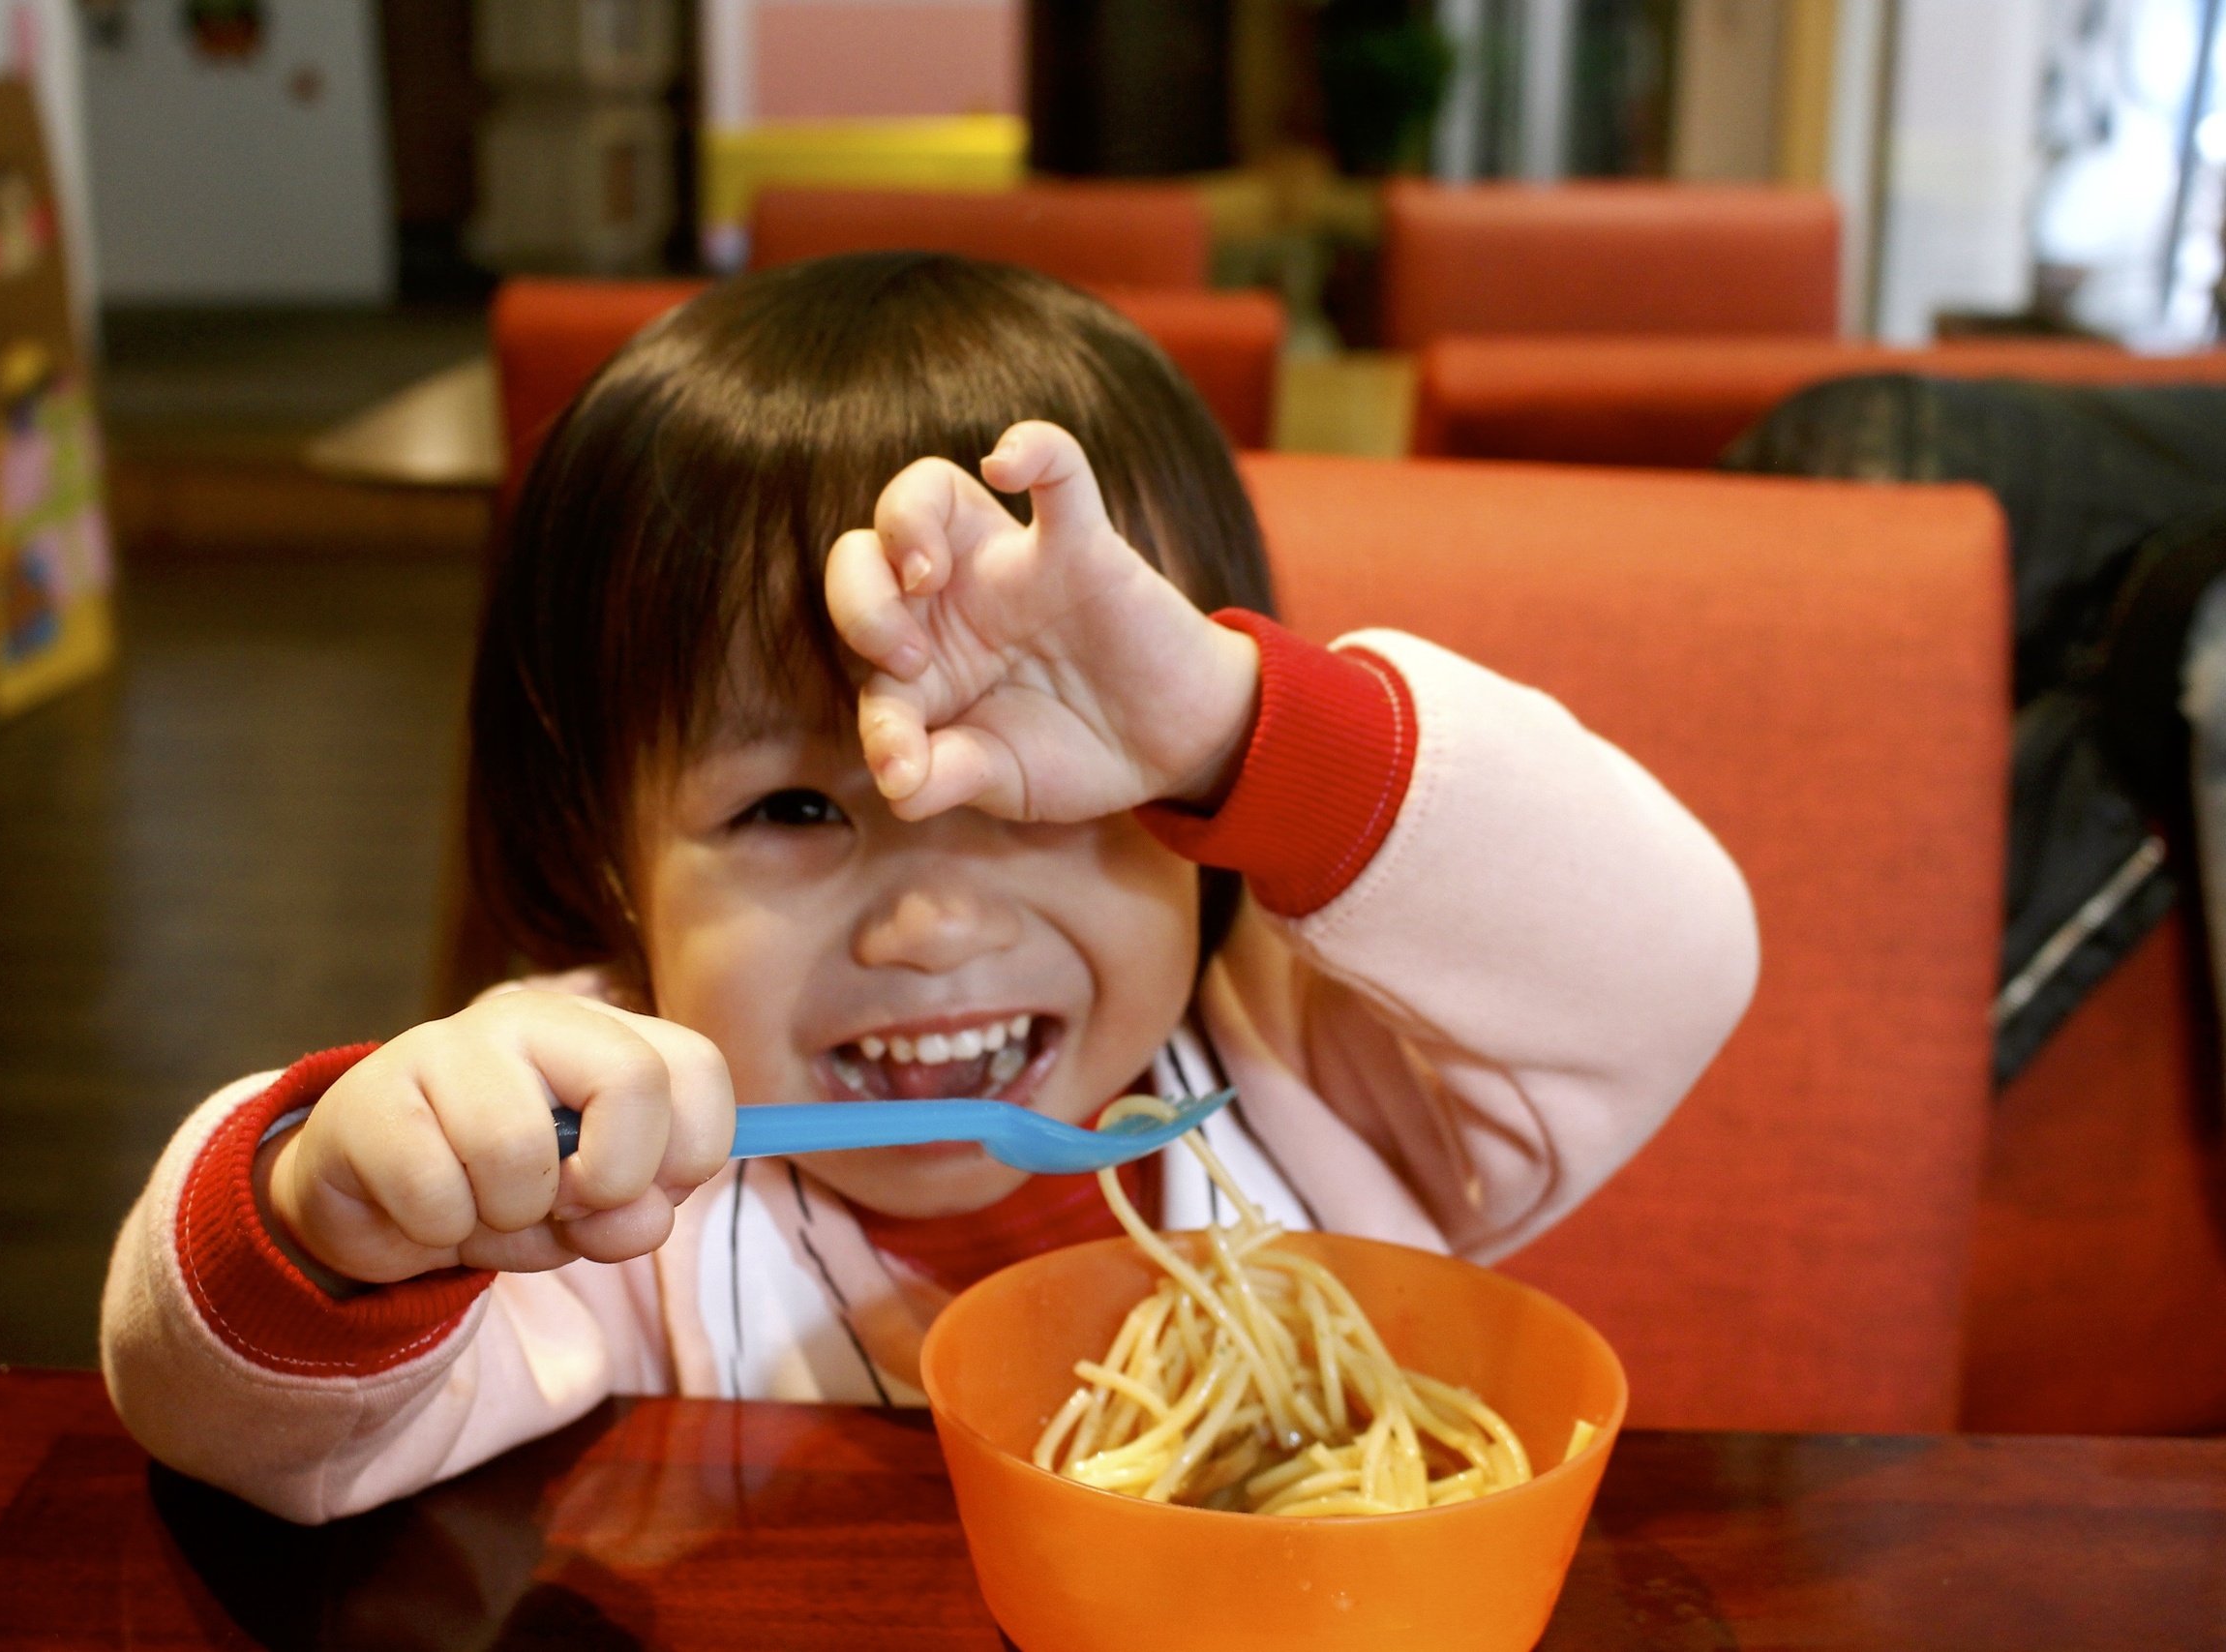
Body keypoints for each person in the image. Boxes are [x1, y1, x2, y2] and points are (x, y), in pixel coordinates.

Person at [101, 254, 1758, 1524]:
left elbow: (1672, 958)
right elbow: (248, 1436)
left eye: (1060, 793)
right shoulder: (598, 1183)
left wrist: (1237, 723)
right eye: (795, 806)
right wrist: (345, 1211)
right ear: (607, 856)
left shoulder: (1318, 1070)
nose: (935, 922)